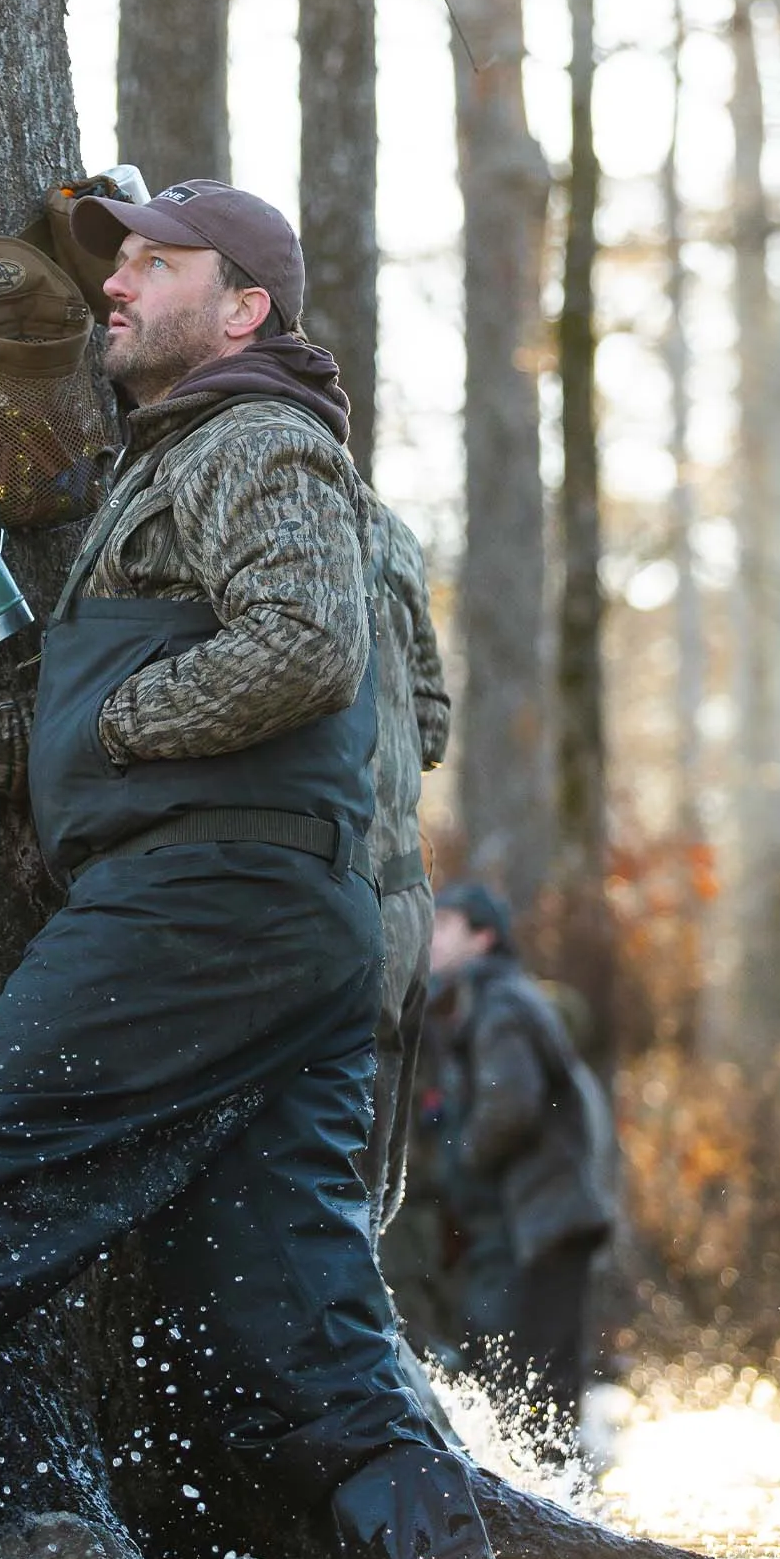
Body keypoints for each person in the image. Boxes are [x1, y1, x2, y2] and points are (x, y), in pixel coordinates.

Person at [0, 179, 496, 1559]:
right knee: (299, 1324)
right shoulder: (174, 460)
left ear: (242, 309)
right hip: (288, 930)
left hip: (203, 909)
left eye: (155, 266)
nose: (115, 286)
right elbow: (106, 733)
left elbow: (306, 648)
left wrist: (113, 727)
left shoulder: (259, 441)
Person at [424, 881, 617, 1436]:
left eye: (444, 926)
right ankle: (552, 1505)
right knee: (535, 1390)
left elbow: (509, 1109)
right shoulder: (494, 1000)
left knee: (534, 1394)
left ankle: (556, 1513)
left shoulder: (501, 1003)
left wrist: (460, 1159)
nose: (431, 939)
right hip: (542, 1226)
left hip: (540, 1229)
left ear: (482, 938)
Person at [360, 492, 450, 1242]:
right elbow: (432, 722)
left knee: (331, 1213)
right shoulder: (394, 531)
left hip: (346, 899)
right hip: (401, 894)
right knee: (361, 1212)